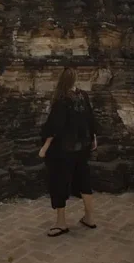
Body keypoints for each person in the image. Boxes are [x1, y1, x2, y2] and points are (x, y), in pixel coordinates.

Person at [39, 67, 97, 237]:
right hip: (83, 147)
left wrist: (45, 146)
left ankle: (61, 223)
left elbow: (54, 126)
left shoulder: (62, 99)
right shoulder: (83, 95)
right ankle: (89, 217)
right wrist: (93, 138)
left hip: (64, 150)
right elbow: (90, 118)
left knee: (59, 183)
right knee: (84, 180)